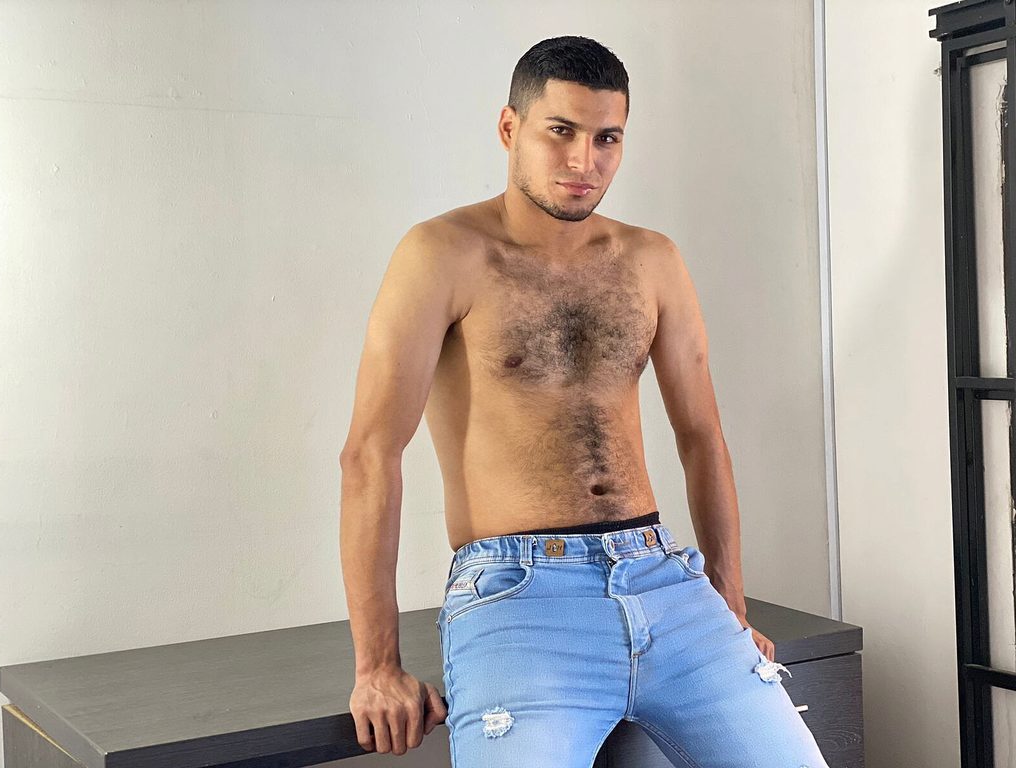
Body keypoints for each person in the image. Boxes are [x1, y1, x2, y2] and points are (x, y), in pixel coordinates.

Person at [338, 35, 830, 767]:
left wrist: (729, 608)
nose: (584, 161)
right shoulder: (442, 254)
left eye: (607, 138)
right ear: (510, 128)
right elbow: (371, 454)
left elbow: (702, 437)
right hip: (519, 594)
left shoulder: (651, 259)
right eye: (561, 132)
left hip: (665, 579)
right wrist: (377, 665)